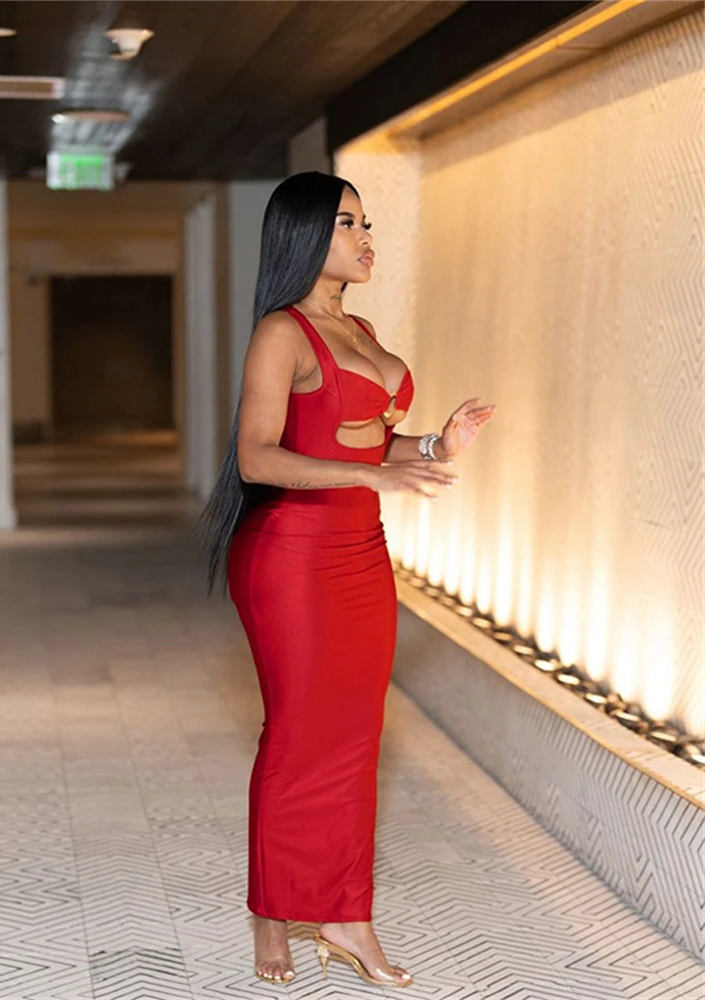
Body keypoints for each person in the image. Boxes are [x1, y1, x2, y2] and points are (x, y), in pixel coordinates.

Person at [197, 172, 495, 987]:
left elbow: (366, 445)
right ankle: (272, 916)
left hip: (361, 552)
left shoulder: (358, 327)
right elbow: (258, 457)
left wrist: (434, 446)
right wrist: (373, 477)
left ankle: (346, 915)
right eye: (346, 224)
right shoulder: (281, 334)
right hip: (291, 556)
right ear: (303, 235)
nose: (366, 238)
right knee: (298, 733)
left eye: (367, 223)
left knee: (358, 734)